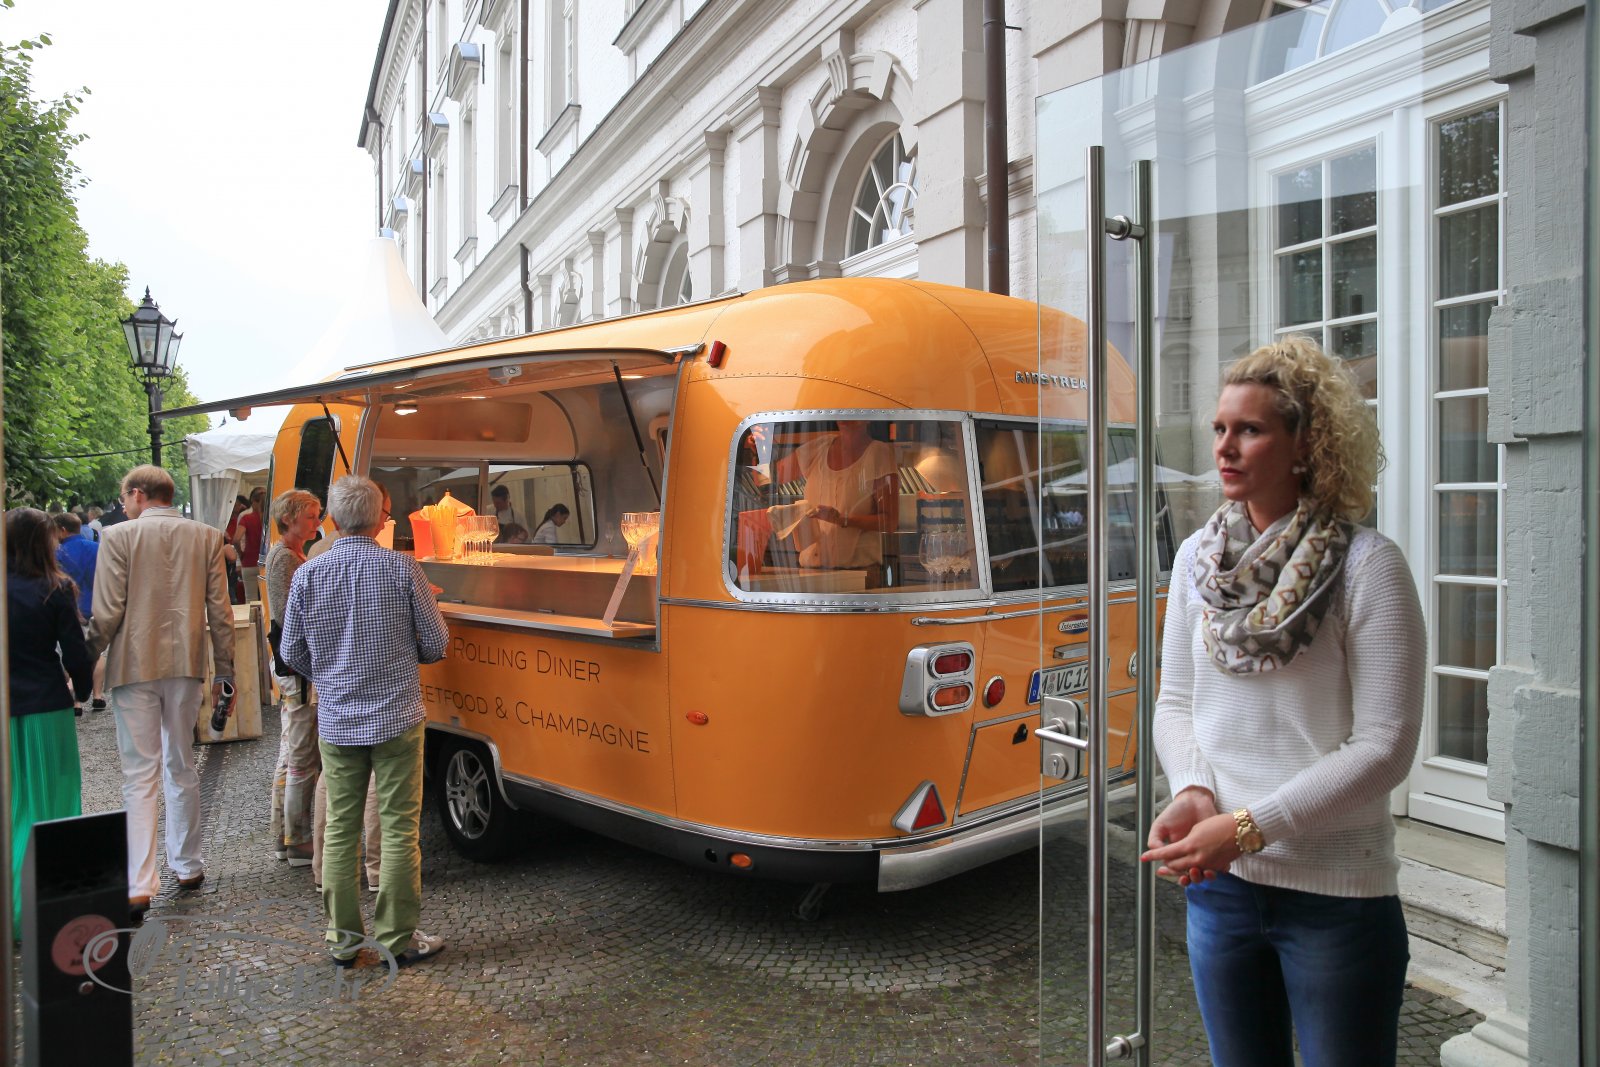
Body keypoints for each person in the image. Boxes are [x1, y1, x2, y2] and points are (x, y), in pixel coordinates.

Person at [1140, 336, 1425, 1067]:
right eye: (1219, 428)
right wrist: (1193, 789)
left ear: (1306, 444)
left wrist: (1247, 828)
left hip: (1338, 899)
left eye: (1250, 429)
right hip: (1221, 891)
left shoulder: (1369, 567)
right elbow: (1175, 702)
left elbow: (1385, 747)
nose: (1225, 446)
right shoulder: (1196, 560)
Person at [280, 475, 448, 968]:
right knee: (398, 829)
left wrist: (329, 676)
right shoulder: (403, 568)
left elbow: (291, 652)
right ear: (379, 520)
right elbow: (436, 643)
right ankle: (397, 938)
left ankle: (344, 942)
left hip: (337, 721)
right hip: (397, 717)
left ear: (332, 519)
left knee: (340, 828)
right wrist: (405, 658)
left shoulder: (309, 574)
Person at [88, 466, 234, 919]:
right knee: (181, 763)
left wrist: (84, 655)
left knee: (139, 774)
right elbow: (220, 611)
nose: (123, 505)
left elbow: (107, 610)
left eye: (124, 498)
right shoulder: (206, 536)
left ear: (137, 494)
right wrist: (225, 669)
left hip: (134, 664)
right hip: (186, 662)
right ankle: (188, 865)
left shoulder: (118, 537)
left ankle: (139, 884)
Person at [5, 508, 94, 929]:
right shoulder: (55, 589)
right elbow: (75, 653)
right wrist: (84, 689)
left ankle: (12, 909)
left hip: (6, 710)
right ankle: (45, 905)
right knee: (53, 803)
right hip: (46, 706)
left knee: (13, 805)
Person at [264, 490, 323, 868]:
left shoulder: (287, 553)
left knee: (292, 752)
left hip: (291, 666)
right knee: (301, 754)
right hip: (296, 668)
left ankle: (285, 835)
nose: (317, 521)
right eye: (311, 515)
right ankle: (298, 839)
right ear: (289, 518)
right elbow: (289, 618)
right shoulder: (286, 557)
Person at [774, 420, 897, 583]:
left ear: (868, 418)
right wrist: (761, 450)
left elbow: (889, 522)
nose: (846, 417)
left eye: (853, 410)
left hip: (858, 575)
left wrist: (841, 520)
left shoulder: (879, 453)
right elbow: (766, 478)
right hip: (810, 573)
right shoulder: (819, 447)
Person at [50, 511, 106, 711]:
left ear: (62, 530)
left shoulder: (57, 553)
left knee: (70, 651)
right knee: (96, 652)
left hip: (71, 609)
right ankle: (98, 695)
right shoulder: (97, 548)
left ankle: (76, 701)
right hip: (97, 606)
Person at [233, 487, 268, 602]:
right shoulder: (269, 519)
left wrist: (241, 554)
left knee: (250, 599)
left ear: (253, 501)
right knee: (267, 598)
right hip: (266, 563)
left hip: (248, 562)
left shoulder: (246, 518)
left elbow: (236, 539)